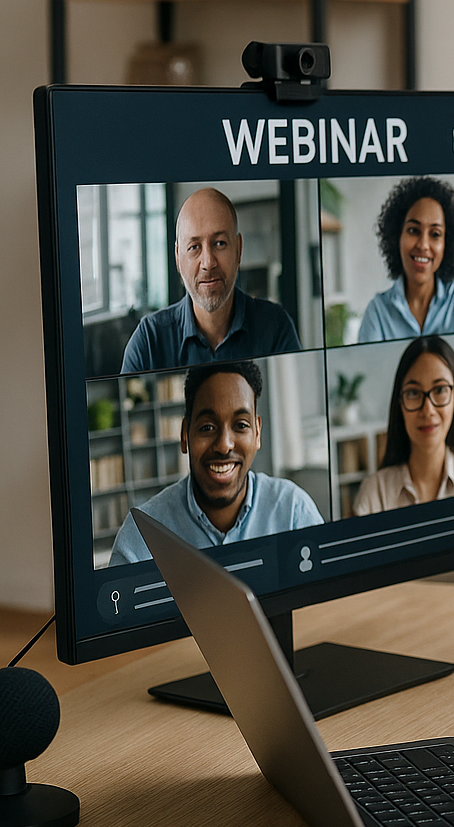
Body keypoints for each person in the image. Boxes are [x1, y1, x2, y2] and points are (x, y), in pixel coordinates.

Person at [109, 361, 323, 565]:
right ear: (185, 435)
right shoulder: (140, 539)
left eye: (240, 425)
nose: (224, 445)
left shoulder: (294, 513)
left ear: (257, 433)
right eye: (207, 428)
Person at [120, 187, 301, 373]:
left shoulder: (275, 327)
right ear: (178, 259)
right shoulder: (149, 341)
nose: (208, 263)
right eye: (194, 247)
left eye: (220, 243)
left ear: (238, 249)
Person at [352, 335, 454, 515]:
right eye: (414, 393)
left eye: (439, 390)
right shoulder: (375, 492)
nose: (427, 410)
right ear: (400, 405)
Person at [356, 177, 454, 342]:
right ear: (397, 237)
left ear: (447, 243)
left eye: (435, 234)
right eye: (413, 230)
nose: (423, 245)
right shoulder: (378, 313)